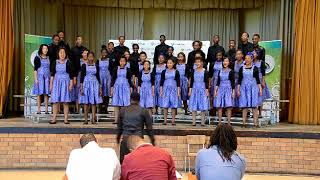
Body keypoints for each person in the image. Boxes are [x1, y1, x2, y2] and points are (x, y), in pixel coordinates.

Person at [116, 92, 155, 164]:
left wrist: (118, 139)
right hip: (138, 142)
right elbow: (149, 128)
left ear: (130, 99)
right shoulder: (144, 111)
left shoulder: (123, 110)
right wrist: (153, 141)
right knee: (139, 164)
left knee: (124, 164)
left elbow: (119, 128)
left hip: (125, 141)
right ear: (139, 100)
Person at [238, 52, 262, 128]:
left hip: (253, 88)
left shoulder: (255, 68)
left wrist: (260, 89)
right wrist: (238, 89)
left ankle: (256, 123)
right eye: (246, 58)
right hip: (244, 88)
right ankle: (244, 123)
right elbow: (239, 80)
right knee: (244, 106)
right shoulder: (242, 68)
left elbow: (258, 80)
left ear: (252, 59)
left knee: (254, 106)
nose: (247, 60)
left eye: (248, 58)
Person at [49, 47, 73, 124]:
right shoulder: (54, 62)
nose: (62, 54)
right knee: (55, 101)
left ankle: (66, 119)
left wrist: (71, 84)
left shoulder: (68, 62)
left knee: (65, 102)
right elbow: (52, 74)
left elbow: (71, 75)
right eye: (60, 53)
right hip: (56, 83)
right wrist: (51, 84)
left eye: (63, 53)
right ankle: (54, 119)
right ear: (58, 54)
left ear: (66, 54)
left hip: (66, 83)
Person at [79, 52, 103, 125]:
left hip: (95, 84)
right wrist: (81, 88)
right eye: (89, 56)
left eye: (92, 57)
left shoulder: (97, 65)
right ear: (87, 57)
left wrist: (100, 88)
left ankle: (93, 119)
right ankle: (86, 120)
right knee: (86, 103)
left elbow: (98, 77)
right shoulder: (84, 65)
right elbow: (81, 77)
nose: (90, 58)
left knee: (93, 103)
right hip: (86, 84)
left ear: (93, 57)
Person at [111, 56, 133, 124]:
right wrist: (112, 88)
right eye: (121, 61)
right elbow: (113, 79)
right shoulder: (115, 69)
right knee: (116, 104)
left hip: (125, 87)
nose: (122, 62)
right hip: (117, 87)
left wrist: (131, 88)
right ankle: (116, 120)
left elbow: (130, 80)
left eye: (124, 61)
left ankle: (126, 119)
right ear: (119, 61)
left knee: (126, 104)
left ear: (126, 62)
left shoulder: (128, 69)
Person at [188, 57, 210, 126]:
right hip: (194, 89)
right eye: (196, 62)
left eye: (199, 62)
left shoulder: (205, 71)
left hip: (202, 89)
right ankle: (193, 122)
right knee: (194, 105)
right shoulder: (193, 71)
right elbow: (191, 82)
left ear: (202, 63)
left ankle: (202, 122)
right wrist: (190, 91)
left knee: (203, 106)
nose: (198, 63)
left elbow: (206, 82)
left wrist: (207, 91)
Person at [214, 57, 235, 125]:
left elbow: (233, 82)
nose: (225, 62)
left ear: (229, 62)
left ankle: (229, 122)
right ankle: (219, 122)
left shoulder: (231, 71)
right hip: (220, 88)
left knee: (229, 106)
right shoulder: (220, 71)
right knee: (220, 106)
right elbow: (218, 82)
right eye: (224, 61)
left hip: (228, 89)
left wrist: (233, 91)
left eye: (226, 61)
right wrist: (215, 90)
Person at [160, 58, 180, 125]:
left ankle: (173, 121)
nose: (169, 64)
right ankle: (165, 120)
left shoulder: (176, 72)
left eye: (170, 63)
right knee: (165, 105)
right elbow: (161, 82)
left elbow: (178, 83)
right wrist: (161, 91)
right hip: (166, 89)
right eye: (168, 63)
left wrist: (178, 92)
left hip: (173, 90)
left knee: (173, 105)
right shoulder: (164, 71)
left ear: (173, 63)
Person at [33, 44, 50, 114]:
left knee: (46, 94)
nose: (45, 50)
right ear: (41, 49)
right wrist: (36, 79)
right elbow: (35, 69)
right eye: (44, 49)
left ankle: (46, 110)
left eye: (46, 49)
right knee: (39, 94)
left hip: (47, 78)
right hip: (39, 77)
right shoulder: (37, 58)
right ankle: (39, 109)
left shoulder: (49, 58)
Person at [253, 50, 271, 116]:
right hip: (253, 80)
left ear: (257, 54)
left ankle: (260, 113)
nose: (253, 54)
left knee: (260, 96)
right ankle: (254, 113)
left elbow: (263, 73)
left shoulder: (261, 62)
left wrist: (263, 81)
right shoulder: (251, 62)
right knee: (254, 96)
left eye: (254, 53)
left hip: (260, 79)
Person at [72, 49, 89, 113]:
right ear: (82, 54)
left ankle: (86, 110)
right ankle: (77, 109)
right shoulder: (79, 61)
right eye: (84, 53)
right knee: (78, 93)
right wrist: (75, 78)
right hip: (79, 77)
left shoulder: (90, 61)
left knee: (86, 92)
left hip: (87, 77)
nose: (85, 55)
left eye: (87, 53)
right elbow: (75, 70)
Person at [97, 46, 112, 114]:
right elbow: (96, 70)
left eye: (105, 52)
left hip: (107, 78)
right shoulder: (98, 60)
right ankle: (100, 108)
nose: (104, 53)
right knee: (100, 93)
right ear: (101, 53)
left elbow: (112, 69)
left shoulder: (109, 60)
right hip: (100, 78)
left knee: (106, 94)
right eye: (103, 52)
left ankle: (105, 108)